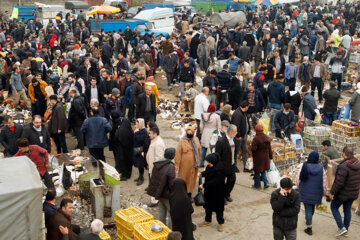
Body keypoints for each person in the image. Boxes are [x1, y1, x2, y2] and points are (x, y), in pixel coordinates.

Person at [329, 146, 360, 237]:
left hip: (343, 194)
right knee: (347, 210)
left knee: (334, 207)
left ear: (344, 154)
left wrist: (332, 193)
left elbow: (338, 183)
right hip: (353, 193)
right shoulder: (358, 163)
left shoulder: (343, 166)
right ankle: (345, 230)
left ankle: (342, 228)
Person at [295, 151, 327, 236]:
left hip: (305, 191)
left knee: (308, 209)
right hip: (317, 192)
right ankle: (309, 219)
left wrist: (298, 187)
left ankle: (309, 227)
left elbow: (298, 179)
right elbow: (324, 182)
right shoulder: (321, 168)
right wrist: (324, 192)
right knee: (311, 207)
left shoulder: (304, 166)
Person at [147, 148, 176, 228]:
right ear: (173, 156)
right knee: (171, 214)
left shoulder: (157, 163)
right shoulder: (170, 167)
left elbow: (154, 178)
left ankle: (161, 229)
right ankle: (169, 231)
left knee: (162, 212)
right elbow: (172, 183)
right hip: (167, 194)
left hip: (159, 193)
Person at [198, 153, 226, 232]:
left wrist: (204, 185)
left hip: (218, 192)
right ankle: (207, 220)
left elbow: (216, 181)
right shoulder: (209, 166)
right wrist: (201, 174)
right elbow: (207, 172)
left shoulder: (220, 168)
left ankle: (221, 223)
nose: (208, 163)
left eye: (209, 162)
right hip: (209, 190)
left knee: (219, 208)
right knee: (208, 206)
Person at [175, 126, 201, 198]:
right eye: (188, 132)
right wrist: (177, 164)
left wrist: (199, 161)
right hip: (184, 165)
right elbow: (178, 153)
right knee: (183, 178)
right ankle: (182, 193)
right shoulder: (182, 140)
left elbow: (199, 151)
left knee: (191, 179)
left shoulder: (196, 139)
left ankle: (189, 193)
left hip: (194, 164)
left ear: (193, 132)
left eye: (191, 132)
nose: (189, 134)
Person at [215, 124, 237, 203]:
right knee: (221, 182)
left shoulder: (232, 139)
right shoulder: (221, 141)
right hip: (223, 165)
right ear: (230, 132)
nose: (236, 133)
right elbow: (217, 155)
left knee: (232, 179)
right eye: (235, 132)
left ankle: (226, 194)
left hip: (231, 164)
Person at [146, 126, 166, 207]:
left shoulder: (158, 144)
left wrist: (155, 170)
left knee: (155, 184)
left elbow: (159, 158)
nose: (149, 135)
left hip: (155, 169)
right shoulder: (154, 140)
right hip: (152, 167)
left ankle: (155, 201)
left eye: (150, 133)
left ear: (155, 134)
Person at [251, 124, 272, 189]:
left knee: (257, 172)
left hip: (258, 158)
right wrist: (271, 156)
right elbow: (269, 148)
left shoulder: (256, 138)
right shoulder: (267, 137)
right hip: (265, 158)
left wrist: (250, 146)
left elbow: (253, 149)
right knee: (263, 171)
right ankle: (266, 183)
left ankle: (257, 185)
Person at [231, 100, 250, 172]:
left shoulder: (243, 113)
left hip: (244, 135)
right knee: (236, 152)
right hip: (239, 137)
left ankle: (246, 167)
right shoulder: (237, 113)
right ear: (246, 107)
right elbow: (236, 125)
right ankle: (233, 166)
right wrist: (238, 135)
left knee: (245, 151)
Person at [114, 112, 134, 180]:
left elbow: (117, 138)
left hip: (122, 150)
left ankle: (124, 175)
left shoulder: (121, 130)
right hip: (129, 150)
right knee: (129, 163)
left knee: (123, 163)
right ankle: (128, 174)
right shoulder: (130, 130)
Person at [133, 118, 148, 186]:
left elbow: (140, 140)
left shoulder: (144, 131)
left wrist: (136, 132)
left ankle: (141, 178)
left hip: (141, 151)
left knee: (141, 165)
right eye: (136, 124)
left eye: (138, 124)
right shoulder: (139, 130)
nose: (136, 125)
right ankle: (140, 177)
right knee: (139, 165)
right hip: (137, 150)